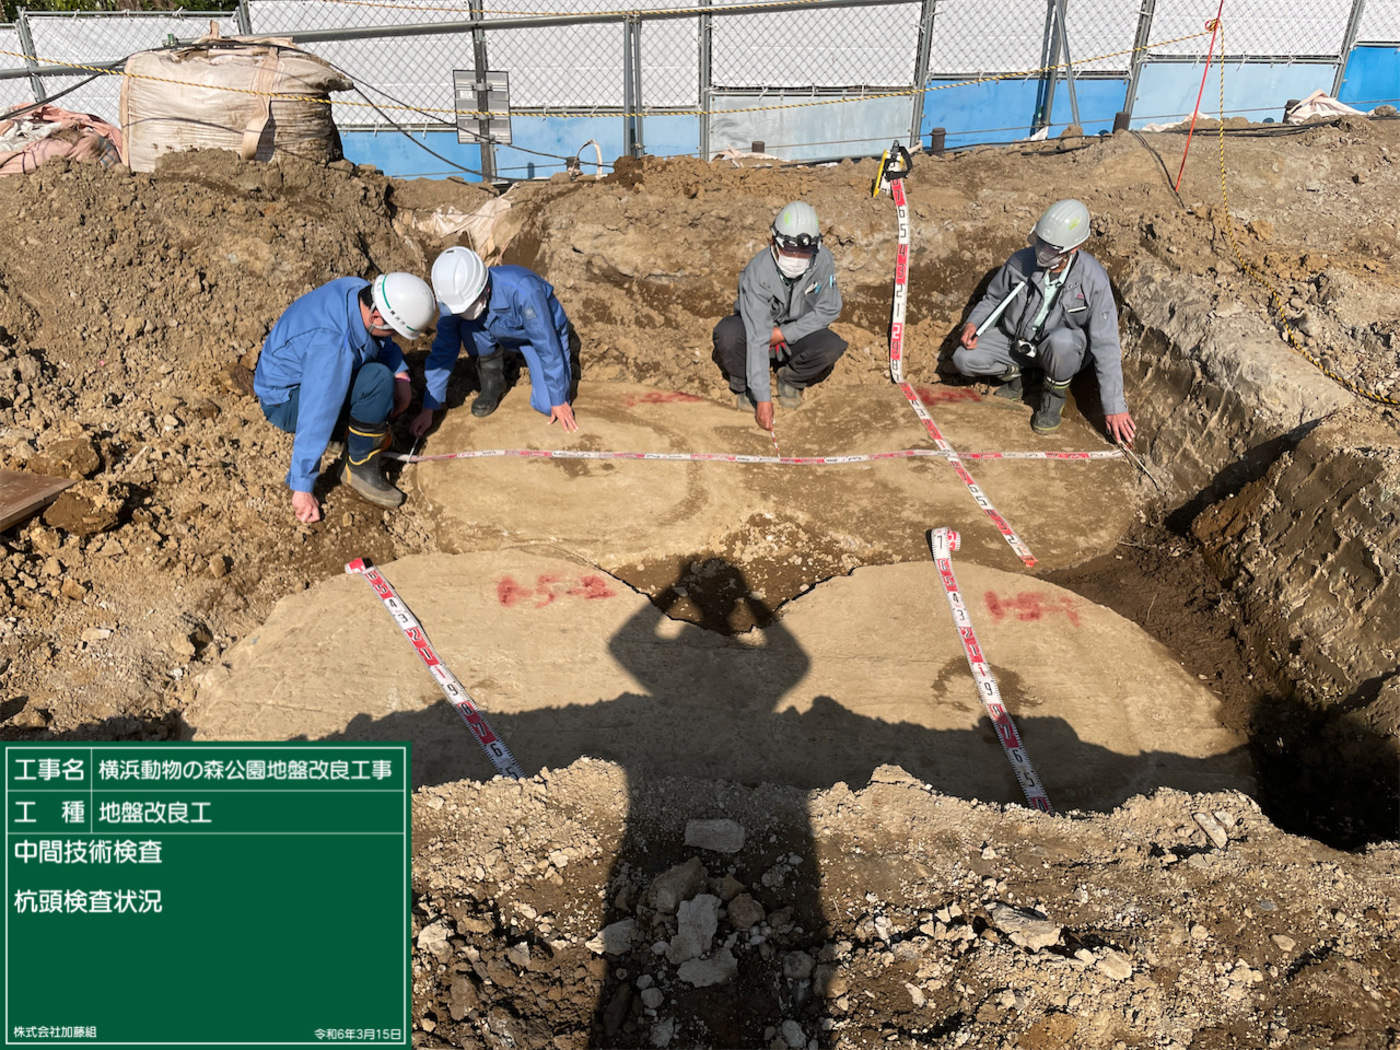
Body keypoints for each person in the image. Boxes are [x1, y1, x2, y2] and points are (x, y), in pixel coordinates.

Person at [254, 273, 436, 523]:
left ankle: (342, 431)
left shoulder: (360, 291)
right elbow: (316, 412)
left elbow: (376, 339)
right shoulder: (332, 346)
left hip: (306, 373)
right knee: (377, 381)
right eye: (393, 332)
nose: (394, 337)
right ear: (376, 317)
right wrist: (303, 487)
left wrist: (400, 372)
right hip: (285, 401)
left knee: (384, 375)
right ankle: (357, 467)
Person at [953, 199, 1136, 444]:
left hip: (1062, 354)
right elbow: (993, 298)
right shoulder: (1020, 262)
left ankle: (1053, 397)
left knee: (1063, 341)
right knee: (963, 359)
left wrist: (1114, 406)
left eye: (1050, 248)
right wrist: (974, 324)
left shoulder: (1094, 281)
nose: (1040, 251)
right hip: (1019, 344)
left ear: (1073, 248)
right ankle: (1023, 376)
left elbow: (1107, 344)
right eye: (1039, 242)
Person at [411, 247, 577, 437]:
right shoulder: (452, 298)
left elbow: (546, 344)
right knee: (466, 326)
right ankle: (493, 384)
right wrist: (428, 408)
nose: (463, 312)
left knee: (549, 406)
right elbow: (443, 351)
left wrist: (558, 399)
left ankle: (562, 365)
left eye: (469, 305)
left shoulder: (522, 291)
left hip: (538, 336)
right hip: (501, 333)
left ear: (486, 287)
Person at [712, 201, 847, 431]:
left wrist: (784, 333)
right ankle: (745, 386)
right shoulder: (758, 271)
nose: (797, 257)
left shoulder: (823, 261)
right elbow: (756, 336)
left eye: (805, 251)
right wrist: (763, 399)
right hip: (756, 334)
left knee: (831, 345)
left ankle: (791, 379)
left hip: (795, 335)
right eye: (790, 249)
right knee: (728, 334)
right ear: (773, 242)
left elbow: (829, 308)